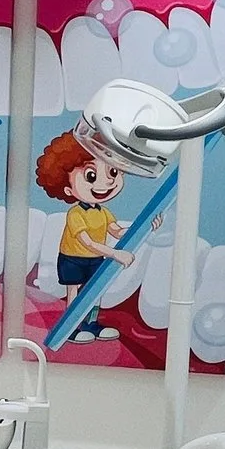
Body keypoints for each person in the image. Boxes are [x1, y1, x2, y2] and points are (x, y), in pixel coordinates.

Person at [35, 130, 139, 342]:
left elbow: (116, 231)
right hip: (72, 258)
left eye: (112, 172)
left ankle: (92, 324)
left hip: (95, 258)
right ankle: (71, 328)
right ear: (67, 188)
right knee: (74, 293)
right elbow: (87, 242)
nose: (106, 182)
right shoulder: (75, 213)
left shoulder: (103, 211)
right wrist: (115, 254)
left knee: (96, 292)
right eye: (91, 175)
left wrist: (145, 228)